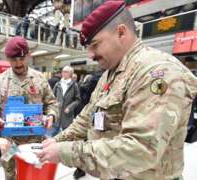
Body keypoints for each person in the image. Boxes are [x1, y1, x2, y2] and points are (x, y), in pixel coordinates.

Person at [37, 1, 197, 179]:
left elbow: (141, 150)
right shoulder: (110, 73)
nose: (90, 55)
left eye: (95, 45)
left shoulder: (157, 72)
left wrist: (65, 151)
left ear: (121, 32)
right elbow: (87, 117)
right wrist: (57, 140)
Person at [0, 36, 58, 180]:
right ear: (7, 58)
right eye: (13, 59)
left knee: (33, 174)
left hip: (34, 141)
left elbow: (51, 103)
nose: (18, 63)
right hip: (10, 142)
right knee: (10, 174)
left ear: (28, 55)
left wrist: (51, 116)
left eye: (21, 58)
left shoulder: (39, 78)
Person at [52, 66, 80, 136]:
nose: (63, 73)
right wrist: (54, 103)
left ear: (70, 73)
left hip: (67, 115)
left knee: (66, 135)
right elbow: (52, 97)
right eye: (63, 71)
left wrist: (70, 107)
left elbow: (77, 100)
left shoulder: (74, 85)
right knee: (54, 133)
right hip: (57, 113)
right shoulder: (57, 84)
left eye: (66, 72)